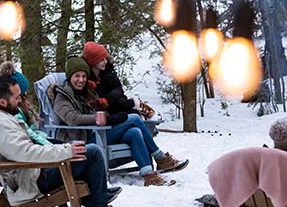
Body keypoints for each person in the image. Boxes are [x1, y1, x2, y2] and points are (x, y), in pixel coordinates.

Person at [0, 75, 129, 207]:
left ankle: (96, 197)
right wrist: (65, 152)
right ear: (2, 102)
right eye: (16, 97)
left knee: (76, 146)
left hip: (29, 171)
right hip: (31, 177)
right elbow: (26, 153)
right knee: (92, 152)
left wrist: (62, 147)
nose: (20, 101)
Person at [51, 57, 189, 187]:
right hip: (85, 138)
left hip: (100, 132)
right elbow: (72, 119)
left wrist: (115, 113)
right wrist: (98, 118)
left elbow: (103, 109)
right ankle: (160, 158)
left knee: (134, 132)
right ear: (69, 77)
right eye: (77, 76)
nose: (81, 80)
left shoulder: (87, 92)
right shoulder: (62, 97)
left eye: (84, 76)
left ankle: (149, 176)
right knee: (134, 119)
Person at [82, 41, 155, 118]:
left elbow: (118, 88)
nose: (105, 61)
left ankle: (140, 110)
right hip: (103, 109)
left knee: (124, 104)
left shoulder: (108, 70)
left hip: (114, 102)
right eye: (101, 60)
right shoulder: (85, 76)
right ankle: (138, 109)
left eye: (105, 58)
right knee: (125, 108)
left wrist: (108, 99)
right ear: (93, 61)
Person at [0, 61, 51, 145]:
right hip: (33, 145)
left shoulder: (24, 106)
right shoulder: (15, 110)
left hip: (37, 140)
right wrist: (50, 146)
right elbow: (30, 134)